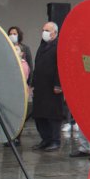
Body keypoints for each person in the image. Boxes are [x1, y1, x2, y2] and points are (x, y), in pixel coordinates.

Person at [31, 22, 63, 152]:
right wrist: (32, 84)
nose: (44, 32)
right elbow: (37, 65)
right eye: (43, 30)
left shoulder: (59, 46)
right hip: (40, 86)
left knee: (52, 116)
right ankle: (45, 139)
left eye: (47, 30)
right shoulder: (42, 45)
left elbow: (60, 67)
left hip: (53, 88)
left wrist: (58, 84)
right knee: (40, 115)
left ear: (54, 33)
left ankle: (55, 140)